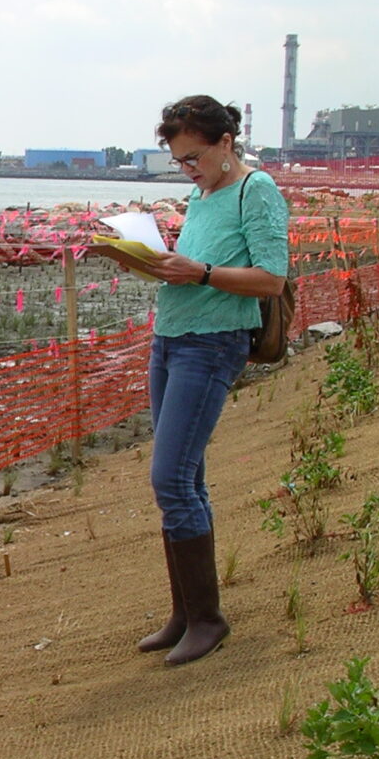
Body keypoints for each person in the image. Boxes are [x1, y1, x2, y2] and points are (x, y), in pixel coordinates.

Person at [130, 95, 290, 665]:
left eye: (194, 157)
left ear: (226, 143)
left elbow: (271, 279)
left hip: (212, 343)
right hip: (171, 339)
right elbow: (199, 266)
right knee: (185, 480)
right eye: (179, 161)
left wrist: (196, 272)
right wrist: (154, 262)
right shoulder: (203, 195)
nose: (188, 169)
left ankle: (207, 619)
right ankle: (185, 613)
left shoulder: (256, 190)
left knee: (170, 479)